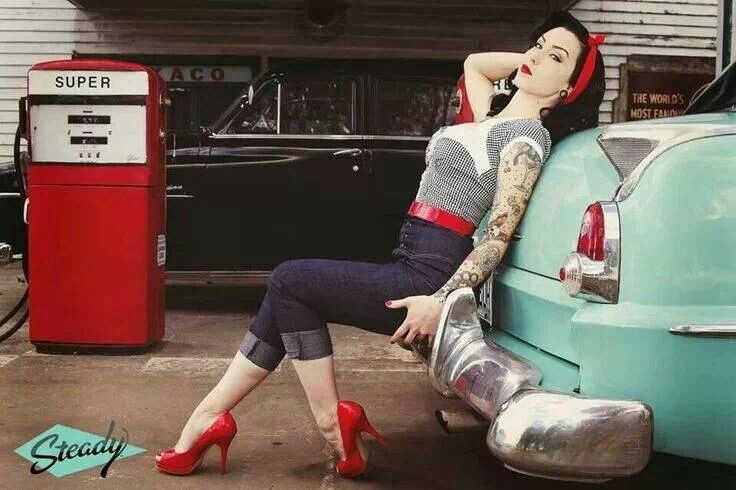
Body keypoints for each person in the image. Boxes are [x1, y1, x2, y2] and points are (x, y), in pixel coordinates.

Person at [154, 9, 606, 478]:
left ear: (569, 89)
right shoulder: (488, 115)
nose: (536, 56)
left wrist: (440, 301)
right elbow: (475, 64)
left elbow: (497, 238)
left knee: (289, 281)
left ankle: (322, 424)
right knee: (285, 300)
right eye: (537, 45)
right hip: (411, 254)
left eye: (557, 58)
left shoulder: (526, 139)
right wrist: (540, 58)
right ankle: (211, 420)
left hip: (430, 274)